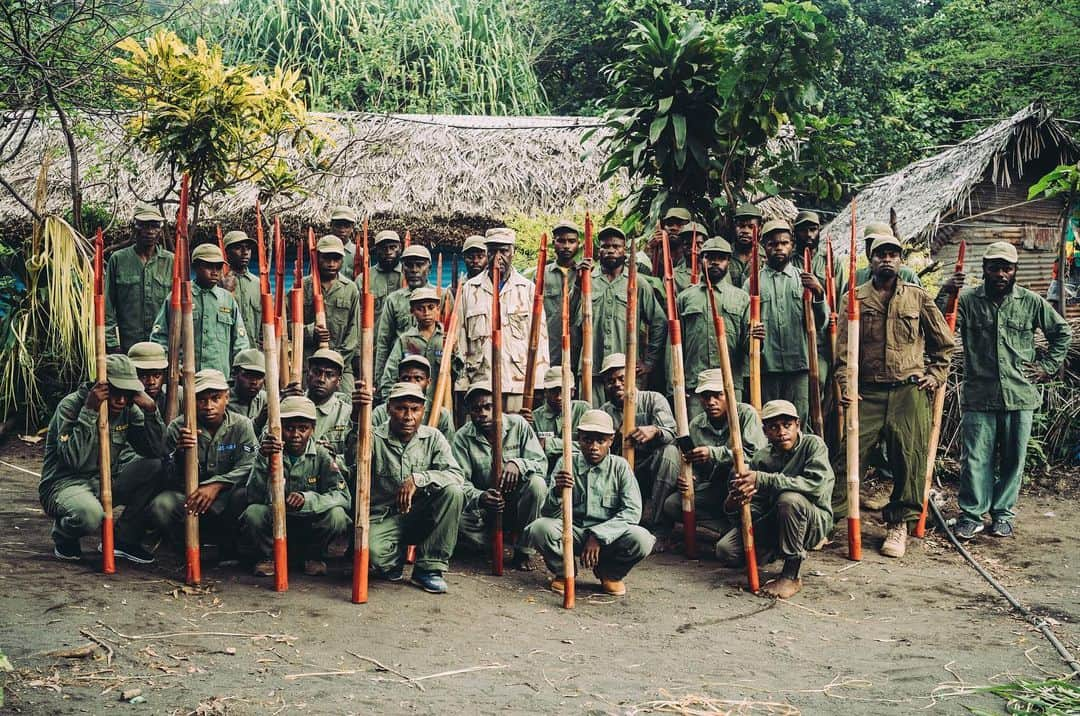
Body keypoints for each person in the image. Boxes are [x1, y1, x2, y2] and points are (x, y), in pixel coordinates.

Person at [938, 241, 1072, 539]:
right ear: (984, 269)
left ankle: (1002, 514)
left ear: (1015, 271)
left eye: (1006, 268)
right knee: (974, 458)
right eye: (994, 267)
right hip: (980, 395)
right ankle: (971, 514)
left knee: (1013, 458)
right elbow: (938, 327)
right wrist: (947, 292)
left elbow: (1062, 332)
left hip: (1020, 394)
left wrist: (1046, 367)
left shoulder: (1030, 302)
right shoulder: (968, 300)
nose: (1000, 273)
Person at [834, 233, 954, 558]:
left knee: (909, 459)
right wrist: (847, 385)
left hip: (908, 391)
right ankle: (830, 518)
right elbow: (843, 352)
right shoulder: (854, 299)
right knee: (848, 456)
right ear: (870, 260)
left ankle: (898, 524)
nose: (886, 259)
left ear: (900, 260)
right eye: (880, 254)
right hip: (868, 393)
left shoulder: (917, 297)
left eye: (892, 254)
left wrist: (935, 374)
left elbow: (944, 343)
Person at [40, 354, 166, 564]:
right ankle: (64, 535)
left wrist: (151, 411)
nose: (121, 400)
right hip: (65, 484)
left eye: (127, 393)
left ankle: (124, 539)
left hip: (106, 480)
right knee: (89, 515)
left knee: (156, 467)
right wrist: (90, 411)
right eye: (115, 392)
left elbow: (155, 451)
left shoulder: (128, 408)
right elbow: (75, 460)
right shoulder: (70, 406)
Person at [523, 409, 654, 596]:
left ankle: (610, 573)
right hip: (573, 533)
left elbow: (632, 512)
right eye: (587, 440)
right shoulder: (566, 463)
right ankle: (564, 571)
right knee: (539, 528)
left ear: (611, 440)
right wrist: (557, 492)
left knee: (641, 538)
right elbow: (548, 514)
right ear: (579, 439)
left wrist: (599, 536)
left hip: (610, 536)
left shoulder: (620, 467)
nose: (594, 446)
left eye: (600, 441)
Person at [721, 400, 834, 599]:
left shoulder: (813, 445)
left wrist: (764, 479)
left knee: (789, 500)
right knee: (727, 551)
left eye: (787, 425)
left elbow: (815, 486)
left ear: (797, 425)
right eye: (774, 427)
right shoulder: (762, 458)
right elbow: (758, 505)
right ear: (765, 432)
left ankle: (791, 574)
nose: (782, 432)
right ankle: (775, 549)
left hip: (812, 521)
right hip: (775, 521)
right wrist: (737, 500)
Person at [365, 382, 465, 594]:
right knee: (373, 553)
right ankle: (393, 561)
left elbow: (456, 475)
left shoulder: (434, 438)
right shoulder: (372, 437)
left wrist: (419, 478)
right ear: (388, 409)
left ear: (423, 410)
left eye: (415, 409)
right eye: (401, 408)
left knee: (453, 492)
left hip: (422, 515)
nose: (408, 416)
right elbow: (351, 469)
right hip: (386, 517)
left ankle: (429, 568)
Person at [240, 395, 352, 577]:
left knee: (337, 516)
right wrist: (262, 460)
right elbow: (252, 496)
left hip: (310, 522)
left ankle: (313, 556)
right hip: (276, 521)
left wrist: (308, 499)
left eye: (303, 428)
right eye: (289, 428)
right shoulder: (268, 452)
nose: (295, 435)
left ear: (312, 430)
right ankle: (268, 556)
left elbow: (343, 496)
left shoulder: (322, 455)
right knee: (253, 513)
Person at [148, 369, 257, 554]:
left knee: (244, 496)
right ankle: (182, 546)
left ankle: (229, 546)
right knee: (161, 505)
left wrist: (217, 484)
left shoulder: (241, 426)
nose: (208, 406)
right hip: (191, 498)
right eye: (201, 399)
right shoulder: (178, 427)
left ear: (227, 398)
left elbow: (250, 466)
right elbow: (166, 477)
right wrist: (181, 454)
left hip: (225, 498)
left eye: (215, 398)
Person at [453, 382, 547, 570]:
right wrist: (481, 497)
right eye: (476, 409)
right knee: (455, 516)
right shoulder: (462, 437)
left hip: (517, 505)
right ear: (469, 412)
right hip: (486, 511)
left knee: (537, 484)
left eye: (488, 407)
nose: (483, 413)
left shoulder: (518, 425)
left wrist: (518, 464)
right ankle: (489, 543)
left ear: (498, 406)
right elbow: (459, 481)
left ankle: (523, 550)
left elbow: (541, 464)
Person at [662, 369, 766, 540]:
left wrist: (713, 453)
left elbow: (754, 454)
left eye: (718, 395)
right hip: (714, 489)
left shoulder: (746, 414)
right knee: (672, 505)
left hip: (744, 490)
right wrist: (690, 478)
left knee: (739, 471)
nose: (711, 402)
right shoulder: (696, 425)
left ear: (728, 394)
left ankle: (741, 528)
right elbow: (692, 464)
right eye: (706, 396)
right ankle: (723, 528)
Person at [457, 228, 549, 412]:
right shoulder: (469, 289)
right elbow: (460, 340)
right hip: (481, 383)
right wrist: (461, 384)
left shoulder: (527, 289)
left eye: (504, 251)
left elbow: (540, 339)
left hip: (518, 382)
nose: (498, 257)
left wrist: (539, 384)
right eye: (492, 251)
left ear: (513, 252)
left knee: (515, 435)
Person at [750, 219, 827, 426]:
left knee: (798, 420)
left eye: (784, 243)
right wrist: (751, 331)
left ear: (792, 244)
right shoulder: (753, 282)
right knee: (769, 422)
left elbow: (820, 323)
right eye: (773, 244)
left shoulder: (803, 279)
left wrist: (819, 293)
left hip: (799, 365)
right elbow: (744, 323)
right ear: (763, 247)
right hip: (767, 366)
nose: (779, 248)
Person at [584, 225, 667, 406]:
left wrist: (649, 362)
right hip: (593, 371)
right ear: (599, 250)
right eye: (606, 246)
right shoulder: (587, 280)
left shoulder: (637, 282)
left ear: (625, 251)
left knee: (628, 421)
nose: (611, 251)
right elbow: (573, 324)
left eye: (616, 246)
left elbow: (659, 321)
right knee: (594, 421)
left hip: (626, 373)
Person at [598, 354, 680, 528]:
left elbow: (671, 432)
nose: (617, 384)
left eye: (622, 378)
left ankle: (660, 527)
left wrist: (655, 430)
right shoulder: (604, 412)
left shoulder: (653, 399)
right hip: (622, 472)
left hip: (651, 470)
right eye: (611, 381)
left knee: (670, 453)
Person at [676, 237, 751, 417]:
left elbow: (749, 347)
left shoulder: (741, 298)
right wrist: (677, 386)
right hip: (695, 383)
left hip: (730, 382)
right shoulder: (685, 298)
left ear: (728, 261)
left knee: (734, 435)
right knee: (697, 431)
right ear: (701, 259)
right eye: (710, 257)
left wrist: (756, 338)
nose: (715, 262)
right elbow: (676, 345)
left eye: (721, 258)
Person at [150, 243, 250, 375]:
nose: (214, 271)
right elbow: (159, 336)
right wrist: (172, 365)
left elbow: (241, 342)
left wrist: (238, 371)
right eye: (208, 266)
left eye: (218, 267)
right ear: (195, 267)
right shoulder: (179, 296)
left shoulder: (228, 300)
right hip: (186, 377)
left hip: (219, 377)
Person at [105, 204, 175, 353]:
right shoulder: (118, 260)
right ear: (134, 228)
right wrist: (112, 343)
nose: (149, 231)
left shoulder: (172, 262)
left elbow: (179, 308)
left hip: (162, 348)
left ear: (160, 230)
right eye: (144, 225)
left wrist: (177, 347)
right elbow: (107, 306)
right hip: (127, 347)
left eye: (154, 226)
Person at [375, 245, 443, 389]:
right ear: (402, 268)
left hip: (438, 372)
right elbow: (383, 342)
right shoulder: (394, 300)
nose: (414, 270)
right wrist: (380, 382)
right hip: (404, 373)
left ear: (429, 268)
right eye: (409, 265)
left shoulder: (442, 296)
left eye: (419, 265)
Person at [303, 234, 360, 394]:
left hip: (340, 365)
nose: (331, 264)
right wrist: (309, 331)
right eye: (326, 259)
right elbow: (287, 328)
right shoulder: (302, 287)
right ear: (317, 258)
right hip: (308, 365)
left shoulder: (350, 289)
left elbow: (353, 334)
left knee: (346, 404)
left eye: (336, 259)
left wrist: (336, 361)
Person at [283, 348, 354, 459]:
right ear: (308, 374)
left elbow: (354, 460)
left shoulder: (347, 414)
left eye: (329, 375)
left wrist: (333, 458)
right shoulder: (288, 405)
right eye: (317, 372)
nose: (321, 379)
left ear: (338, 381)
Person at [379, 286, 445, 402]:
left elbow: (459, 374)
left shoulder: (446, 339)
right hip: (411, 407)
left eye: (431, 307)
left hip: (440, 403)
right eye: (420, 308)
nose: (426, 313)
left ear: (438, 309)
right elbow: (389, 376)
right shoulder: (405, 340)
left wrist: (454, 351)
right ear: (412, 311)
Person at [372, 354, 456, 440]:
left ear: (428, 383)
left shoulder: (441, 415)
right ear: (398, 381)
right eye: (406, 378)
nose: (411, 383)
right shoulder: (380, 413)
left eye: (418, 379)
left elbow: (447, 449)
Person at [525, 367, 590, 472]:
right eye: (554, 391)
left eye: (563, 391)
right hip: (545, 473)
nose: (559, 397)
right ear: (545, 392)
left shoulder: (583, 410)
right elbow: (532, 452)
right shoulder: (535, 418)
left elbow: (590, 448)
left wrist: (549, 444)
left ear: (572, 392)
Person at [544, 221, 582, 368]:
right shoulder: (542, 275)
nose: (566, 246)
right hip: (549, 349)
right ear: (554, 243)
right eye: (561, 241)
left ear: (578, 244)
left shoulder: (587, 274)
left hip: (578, 351)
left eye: (571, 241)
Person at [220, 230, 262, 347]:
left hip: (252, 351)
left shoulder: (258, 284)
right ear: (227, 252)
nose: (245, 253)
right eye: (239, 248)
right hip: (226, 350)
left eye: (248, 248)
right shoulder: (218, 283)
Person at [852, 222, 922, 287]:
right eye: (870, 243)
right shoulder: (857, 277)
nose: (873, 248)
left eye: (879, 244)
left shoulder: (907, 275)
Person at [227, 348, 267, 433]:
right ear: (234, 374)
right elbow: (236, 436)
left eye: (259, 376)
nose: (254, 382)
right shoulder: (222, 402)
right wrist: (260, 420)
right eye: (248, 375)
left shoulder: (264, 399)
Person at [370, 229, 404, 327]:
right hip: (373, 339)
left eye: (393, 247)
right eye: (383, 248)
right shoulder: (364, 279)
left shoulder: (409, 276)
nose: (388, 252)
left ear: (400, 248)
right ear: (376, 250)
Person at [127, 341, 170, 416]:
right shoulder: (122, 401)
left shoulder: (176, 396)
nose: (151, 382)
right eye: (143, 376)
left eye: (157, 375)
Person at [728, 203, 764, 289]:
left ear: (760, 228)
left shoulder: (766, 258)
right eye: (741, 226)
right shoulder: (724, 255)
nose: (745, 231)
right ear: (734, 226)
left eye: (751, 227)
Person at [329, 206, 361, 280]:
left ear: (352, 228)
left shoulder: (360, 253)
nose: (342, 230)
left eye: (346, 226)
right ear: (331, 225)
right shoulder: (320, 252)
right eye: (338, 225)